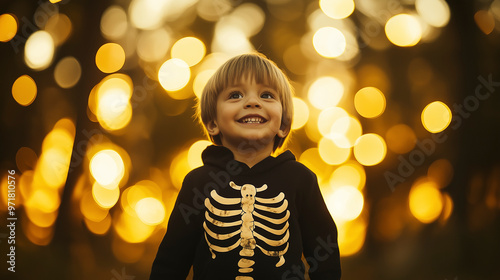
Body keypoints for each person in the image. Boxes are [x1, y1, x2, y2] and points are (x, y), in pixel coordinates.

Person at [150, 53, 341, 280]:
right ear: (212, 123)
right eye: (235, 95)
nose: (252, 102)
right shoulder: (198, 183)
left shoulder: (300, 179)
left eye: (267, 95)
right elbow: (171, 262)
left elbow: (325, 256)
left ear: (283, 124)